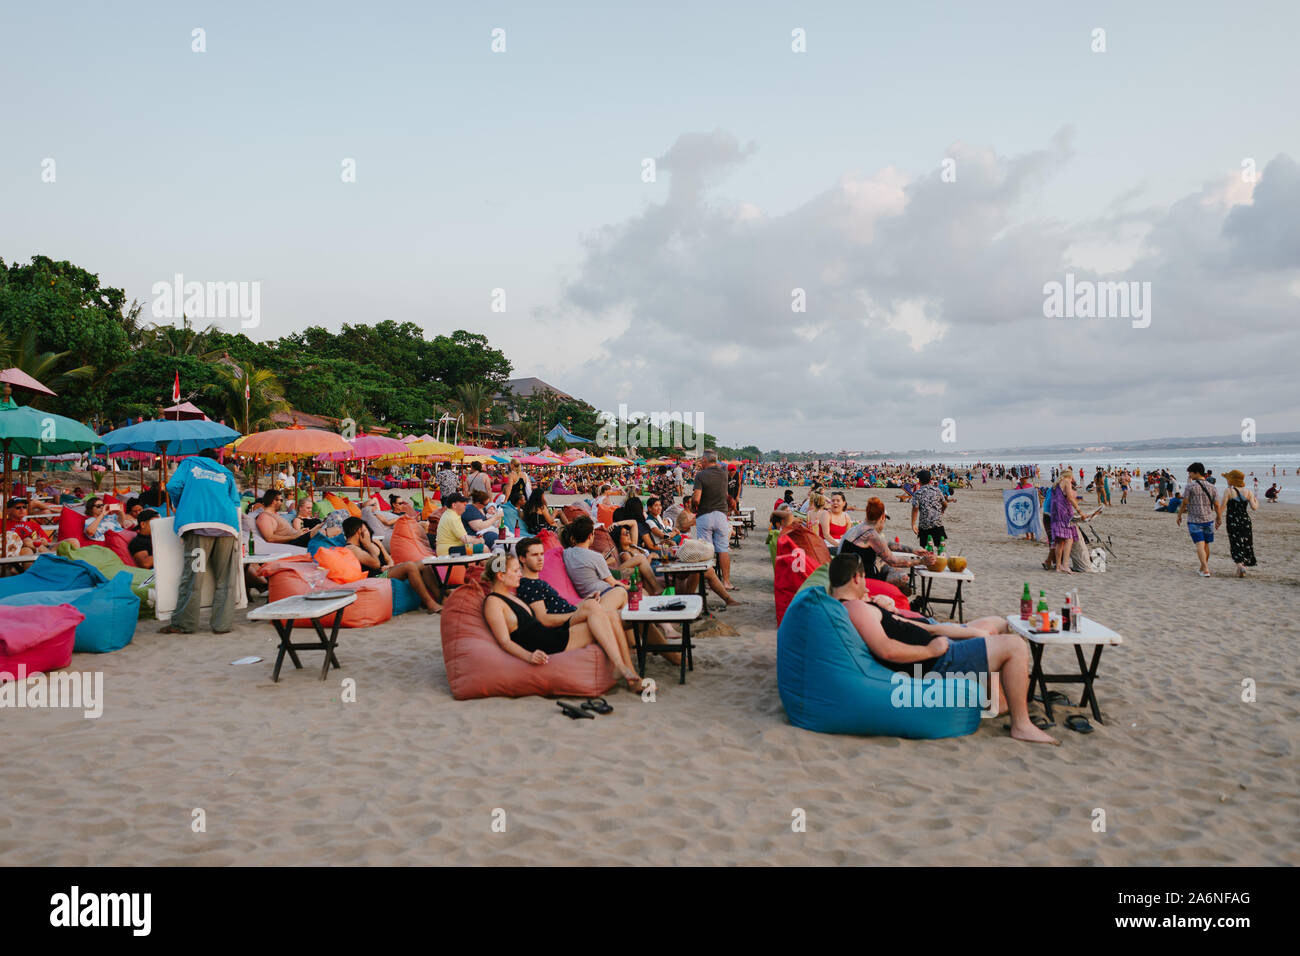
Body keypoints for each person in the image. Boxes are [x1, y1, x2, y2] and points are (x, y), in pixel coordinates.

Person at [828, 553, 1056, 745]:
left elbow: (903, 628)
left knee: (998, 625)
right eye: (865, 579)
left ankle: (1002, 702)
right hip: (937, 661)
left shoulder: (855, 605)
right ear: (857, 578)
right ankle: (1021, 724)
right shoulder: (855, 608)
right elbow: (886, 649)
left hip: (938, 649)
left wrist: (895, 611)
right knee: (1015, 645)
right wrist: (932, 650)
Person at [482, 552, 644, 691]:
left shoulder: (510, 596)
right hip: (546, 643)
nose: (520, 574)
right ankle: (623, 669)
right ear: (501, 575)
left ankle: (628, 673)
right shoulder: (493, 602)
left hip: (549, 634)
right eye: (516, 570)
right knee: (602, 613)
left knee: (604, 612)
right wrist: (529, 656)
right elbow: (504, 641)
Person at [161, 448, 242, 634]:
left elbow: (173, 487)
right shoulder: (226, 472)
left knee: (193, 577)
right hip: (227, 526)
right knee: (226, 578)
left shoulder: (189, 464)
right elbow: (236, 503)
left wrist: (180, 503)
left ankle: (185, 624)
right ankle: (223, 625)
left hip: (197, 525)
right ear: (216, 459)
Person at [340, 516, 442, 612]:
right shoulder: (352, 548)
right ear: (359, 531)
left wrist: (389, 565)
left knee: (423, 564)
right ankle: (429, 603)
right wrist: (368, 545)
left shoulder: (374, 542)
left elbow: (389, 558)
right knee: (409, 566)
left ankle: (440, 597)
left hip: (386, 571)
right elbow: (375, 564)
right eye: (365, 530)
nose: (368, 533)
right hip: (375, 577)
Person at [839, 497, 927, 590]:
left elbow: (886, 544)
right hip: (858, 580)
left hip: (845, 574)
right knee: (902, 577)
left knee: (888, 567)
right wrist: (922, 562)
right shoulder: (871, 534)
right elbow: (894, 561)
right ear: (882, 517)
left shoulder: (859, 528)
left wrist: (913, 550)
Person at [690, 449, 734, 589]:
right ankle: (726, 582)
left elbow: (697, 499)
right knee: (723, 549)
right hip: (721, 514)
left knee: (706, 550)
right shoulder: (724, 473)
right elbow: (725, 493)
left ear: (705, 460)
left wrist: (693, 505)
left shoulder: (700, 475)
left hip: (705, 515)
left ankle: (711, 581)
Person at [1177, 462, 1220, 578]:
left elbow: (1185, 502)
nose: (1189, 475)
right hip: (1209, 519)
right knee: (1206, 545)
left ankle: (1205, 569)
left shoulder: (1190, 486)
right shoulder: (1212, 487)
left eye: (1190, 473)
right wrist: (1219, 517)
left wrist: (1179, 514)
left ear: (1196, 472)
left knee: (1200, 545)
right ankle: (1203, 567)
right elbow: (1216, 505)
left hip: (1194, 520)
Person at [1218, 469, 1258, 578]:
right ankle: (1241, 569)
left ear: (1232, 480)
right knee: (1245, 543)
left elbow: (1222, 507)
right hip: (1245, 521)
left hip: (1232, 521)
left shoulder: (1229, 491)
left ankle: (1240, 566)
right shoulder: (1249, 492)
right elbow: (1254, 507)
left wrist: (1218, 519)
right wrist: (1256, 500)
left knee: (1235, 543)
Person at [909, 470, 947, 551]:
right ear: (930, 480)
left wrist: (913, 524)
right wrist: (942, 510)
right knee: (940, 547)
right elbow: (945, 504)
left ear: (919, 481)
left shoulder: (918, 493)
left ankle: (929, 560)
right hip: (937, 523)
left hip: (924, 524)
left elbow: (915, 509)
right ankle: (940, 559)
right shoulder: (937, 490)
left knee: (926, 548)